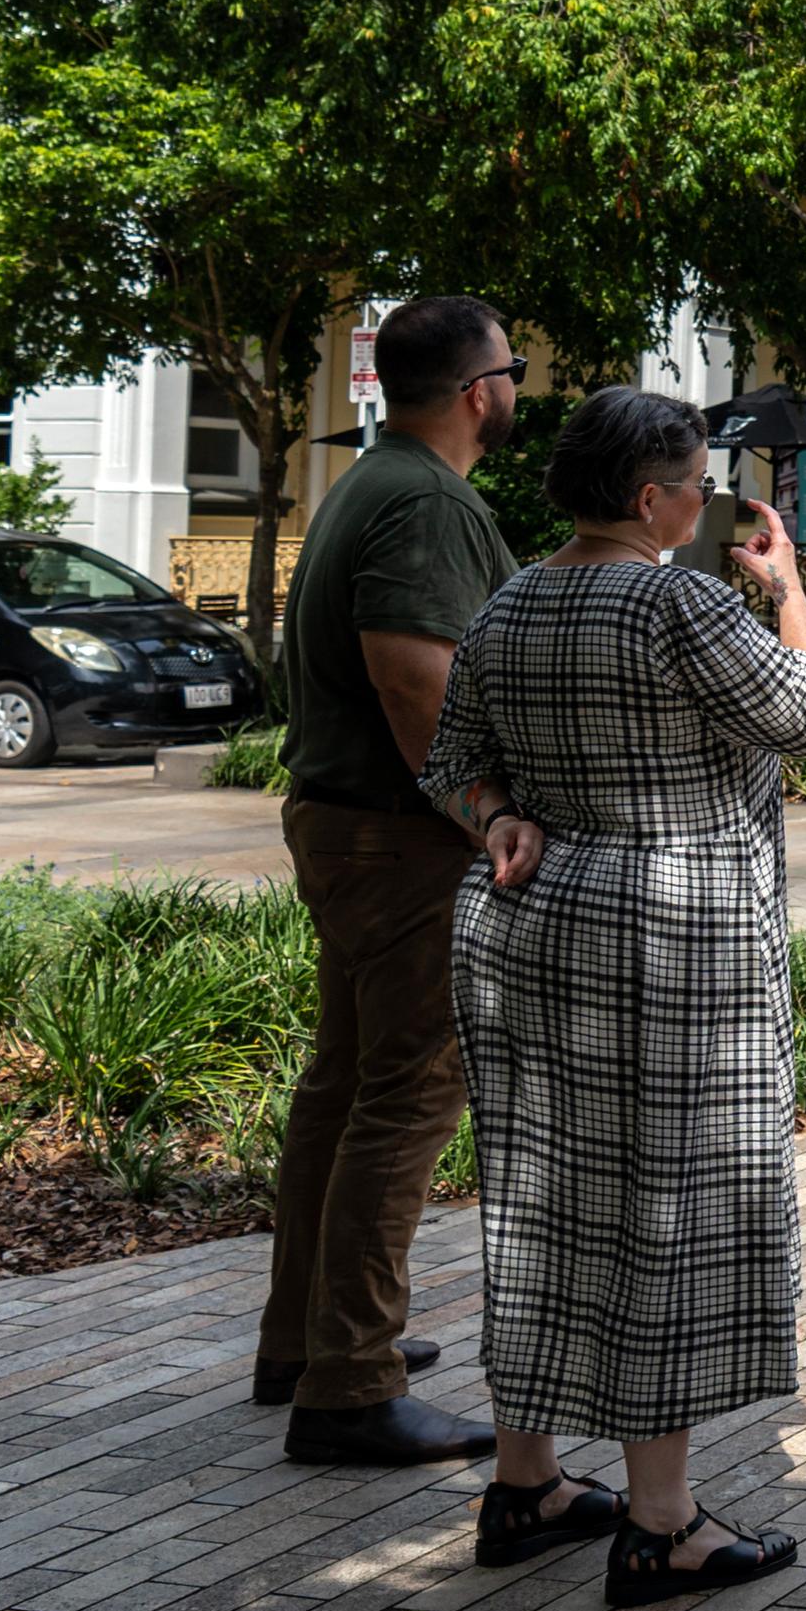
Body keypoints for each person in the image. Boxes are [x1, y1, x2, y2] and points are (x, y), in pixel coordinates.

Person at [423, 385, 806, 1606]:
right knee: (664, 1211)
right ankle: (662, 1524)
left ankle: (528, 1483)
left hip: (531, 924)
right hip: (671, 928)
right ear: (654, 498)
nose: (708, 502)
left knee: (539, 1202)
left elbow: (450, 767)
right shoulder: (680, 599)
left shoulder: (510, 601)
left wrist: (500, 818)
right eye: (700, 484)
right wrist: (787, 590)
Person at [252, 289, 518, 1463]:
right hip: (397, 842)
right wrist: (490, 817)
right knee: (405, 1097)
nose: (516, 390)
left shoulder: (377, 480)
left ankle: (305, 1341)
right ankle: (349, 1385)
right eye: (511, 373)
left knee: (345, 1083)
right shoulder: (419, 500)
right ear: (478, 391)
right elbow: (418, 686)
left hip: (351, 828)